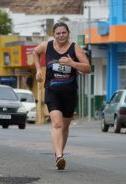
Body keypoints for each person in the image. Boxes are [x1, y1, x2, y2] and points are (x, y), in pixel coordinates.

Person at [32, 22, 91, 170]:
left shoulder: (75, 48)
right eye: (58, 33)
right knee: (57, 124)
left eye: (64, 32)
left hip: (70, 93)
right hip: (52, 91)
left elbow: (88, 68)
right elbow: (35, 52)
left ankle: (59, 153)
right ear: (54, 34)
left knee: (64, 126)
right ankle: (59, 156)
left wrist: (73, 63)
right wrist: (39, 70)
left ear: (68, 33)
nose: (61, 35)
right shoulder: (47, 46)